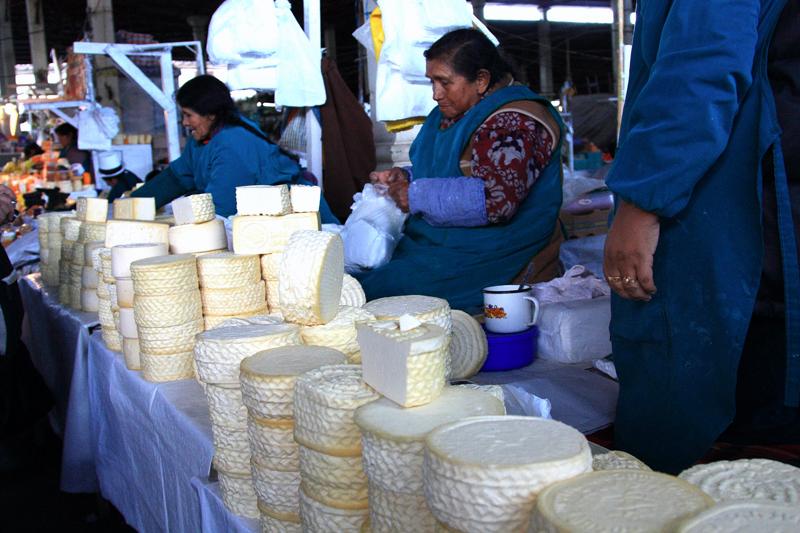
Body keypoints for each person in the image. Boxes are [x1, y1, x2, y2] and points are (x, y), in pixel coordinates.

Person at [602, 0, 799, 473]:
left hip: (722, 202)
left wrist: (642, 200)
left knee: (707, 408)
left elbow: (702, 65)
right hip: (757, 201)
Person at [356, 29, 563, 312]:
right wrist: (405, 178)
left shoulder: (515, 120)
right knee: (367, 273)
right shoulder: (455, 110)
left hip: (496, 251)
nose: (435, 94)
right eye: (432, 82)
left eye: (444, 82)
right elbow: (448, 169)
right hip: (442, 241)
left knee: (382, 291)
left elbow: (496, 200)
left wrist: (414, 195)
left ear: (481, 80)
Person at [131, 75, 337, 222]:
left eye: (188, 115)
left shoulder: (232, 143)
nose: (184, 122)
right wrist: (132, 205)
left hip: (299, 218)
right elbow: (176, 177)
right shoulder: (201, 141)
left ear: (210, 114)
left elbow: (220, 207)